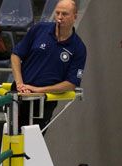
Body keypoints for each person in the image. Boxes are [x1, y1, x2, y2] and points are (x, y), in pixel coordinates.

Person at [10, 0, 86, 132]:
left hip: (44, 103)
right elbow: (16, 55)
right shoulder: (39, 29)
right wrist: (20, 84)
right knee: (11, 144)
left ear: (75, 17)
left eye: (65, 14)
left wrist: (38, 90)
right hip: (19, 95)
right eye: (57, 13)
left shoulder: (79, 48)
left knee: (32, 147)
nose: (60, 17)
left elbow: (71, 83)